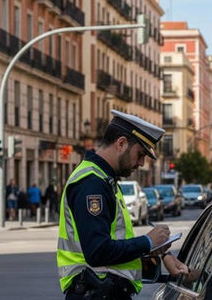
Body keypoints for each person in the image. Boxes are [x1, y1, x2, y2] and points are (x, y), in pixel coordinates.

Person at [57, 110, 189, 299]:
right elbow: (97, 251)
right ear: (121, 143)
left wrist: (156, 253)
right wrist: (147, 241)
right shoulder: (92, 183)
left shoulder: (105, 180)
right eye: (140, 154)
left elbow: (114, 250)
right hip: (95, 293)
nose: (142, 163)